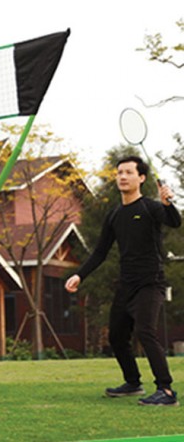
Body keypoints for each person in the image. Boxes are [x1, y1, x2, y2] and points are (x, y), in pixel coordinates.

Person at [65, 155, 181, 407]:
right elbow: (100, 252)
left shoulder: (151, 207)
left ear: (141, 178)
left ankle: (167, 391)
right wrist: (79, 274)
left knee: (145, 331)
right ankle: (132, 383)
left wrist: (168, 203)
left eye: (128, 172)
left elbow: (175, 222)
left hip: (150, 282)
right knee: (117, 336)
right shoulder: (114, 215)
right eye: (119, 173)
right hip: (126, 285)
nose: (123, 177)